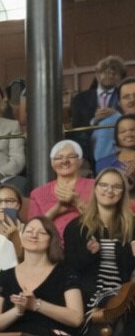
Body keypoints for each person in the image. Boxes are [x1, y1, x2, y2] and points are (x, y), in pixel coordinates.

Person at [61, 167, 135, 311]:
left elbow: (128, 271)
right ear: (95, 189)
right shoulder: (76, 227)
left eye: (116, 187)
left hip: (123, 294)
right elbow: (70, 271)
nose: (109, 190)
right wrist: (89, 254)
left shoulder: (132, 226)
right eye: (104, 185)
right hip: (89, 297)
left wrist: (131, 255)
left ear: (122, 193)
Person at [26, 140, 96, 236]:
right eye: (58, 158)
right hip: (51, 245)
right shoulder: (38, 193)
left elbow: (104, 220)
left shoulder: (95, 186)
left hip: (87, 241)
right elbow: (32, 229)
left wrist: (77, 202)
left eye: (71, 156)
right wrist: (56, 209)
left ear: (80, 161)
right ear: (52, 163)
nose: (64, 161)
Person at [68, 56, 126, 141]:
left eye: (114, 73)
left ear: (121, 78)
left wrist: (118, 116)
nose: (110, 76)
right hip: (90, 146)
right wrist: (94, 121)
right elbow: (75, 129)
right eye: (106, 72)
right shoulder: (80, 99)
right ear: (97, 74)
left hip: (120, 144)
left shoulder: (125, 96)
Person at [94, 114, 135, 179]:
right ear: (116, 136)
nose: (128, 134)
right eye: (122, 131)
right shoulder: (103, 164)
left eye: (133, 130)